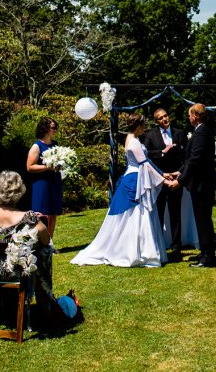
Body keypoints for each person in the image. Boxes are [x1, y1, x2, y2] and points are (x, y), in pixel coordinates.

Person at [71, 114, 167, 267]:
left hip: (133, 175)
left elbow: (146, 162)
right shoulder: (134, 142)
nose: (144, 128)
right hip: (135, 179)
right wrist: (162, 178)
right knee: (137, 213)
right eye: (143, 125)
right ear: (139, 125)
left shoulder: (130, 138)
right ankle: (137, 252)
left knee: (133, 214)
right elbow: (144, 163)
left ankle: (136, 249)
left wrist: (162, 174)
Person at [0, 170, 55, 326]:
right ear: (19, 192)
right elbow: (46, 238)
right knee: (45, 250)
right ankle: (45, 305)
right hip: (16, 271)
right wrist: (34, 223)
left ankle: (3, 310)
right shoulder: (28, 218)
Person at [165, 103, 216, 268]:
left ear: (196, 116)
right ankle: (205, 253)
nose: (188, 118)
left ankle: (207, 257)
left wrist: (179, 181)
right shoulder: (202, 130)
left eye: (189, 115)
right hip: (201, 183)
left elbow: (195, 160)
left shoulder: (202, 132)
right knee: (202, 220)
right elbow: (190, 159)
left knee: (203, 221)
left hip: (202, 184)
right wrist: (179, 172)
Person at [142, 106, 189, 251]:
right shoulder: (150, 135)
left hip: (176, 177)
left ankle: (176, 245)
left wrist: (179, 172)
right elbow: (146, 154)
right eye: (161, 118)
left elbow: (187, 155)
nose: (165, 119)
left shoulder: (179, 133)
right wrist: (162, 152)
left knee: (175, 212)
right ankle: (159, 243)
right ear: (157, 121)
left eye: (166, 115)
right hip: (160, 179)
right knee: (160, 212)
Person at [27, 117, 62, 239]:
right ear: (45, 128)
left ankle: (50, 242)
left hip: (54, 181)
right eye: (53, 127)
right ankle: (39, 240)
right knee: (42, 213)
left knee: (53, 213)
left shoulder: (55, 144)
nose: (55, 130)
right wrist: (47, 167)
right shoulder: (36, 146)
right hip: (42, 183)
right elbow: (29, 167)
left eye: (55, 127)